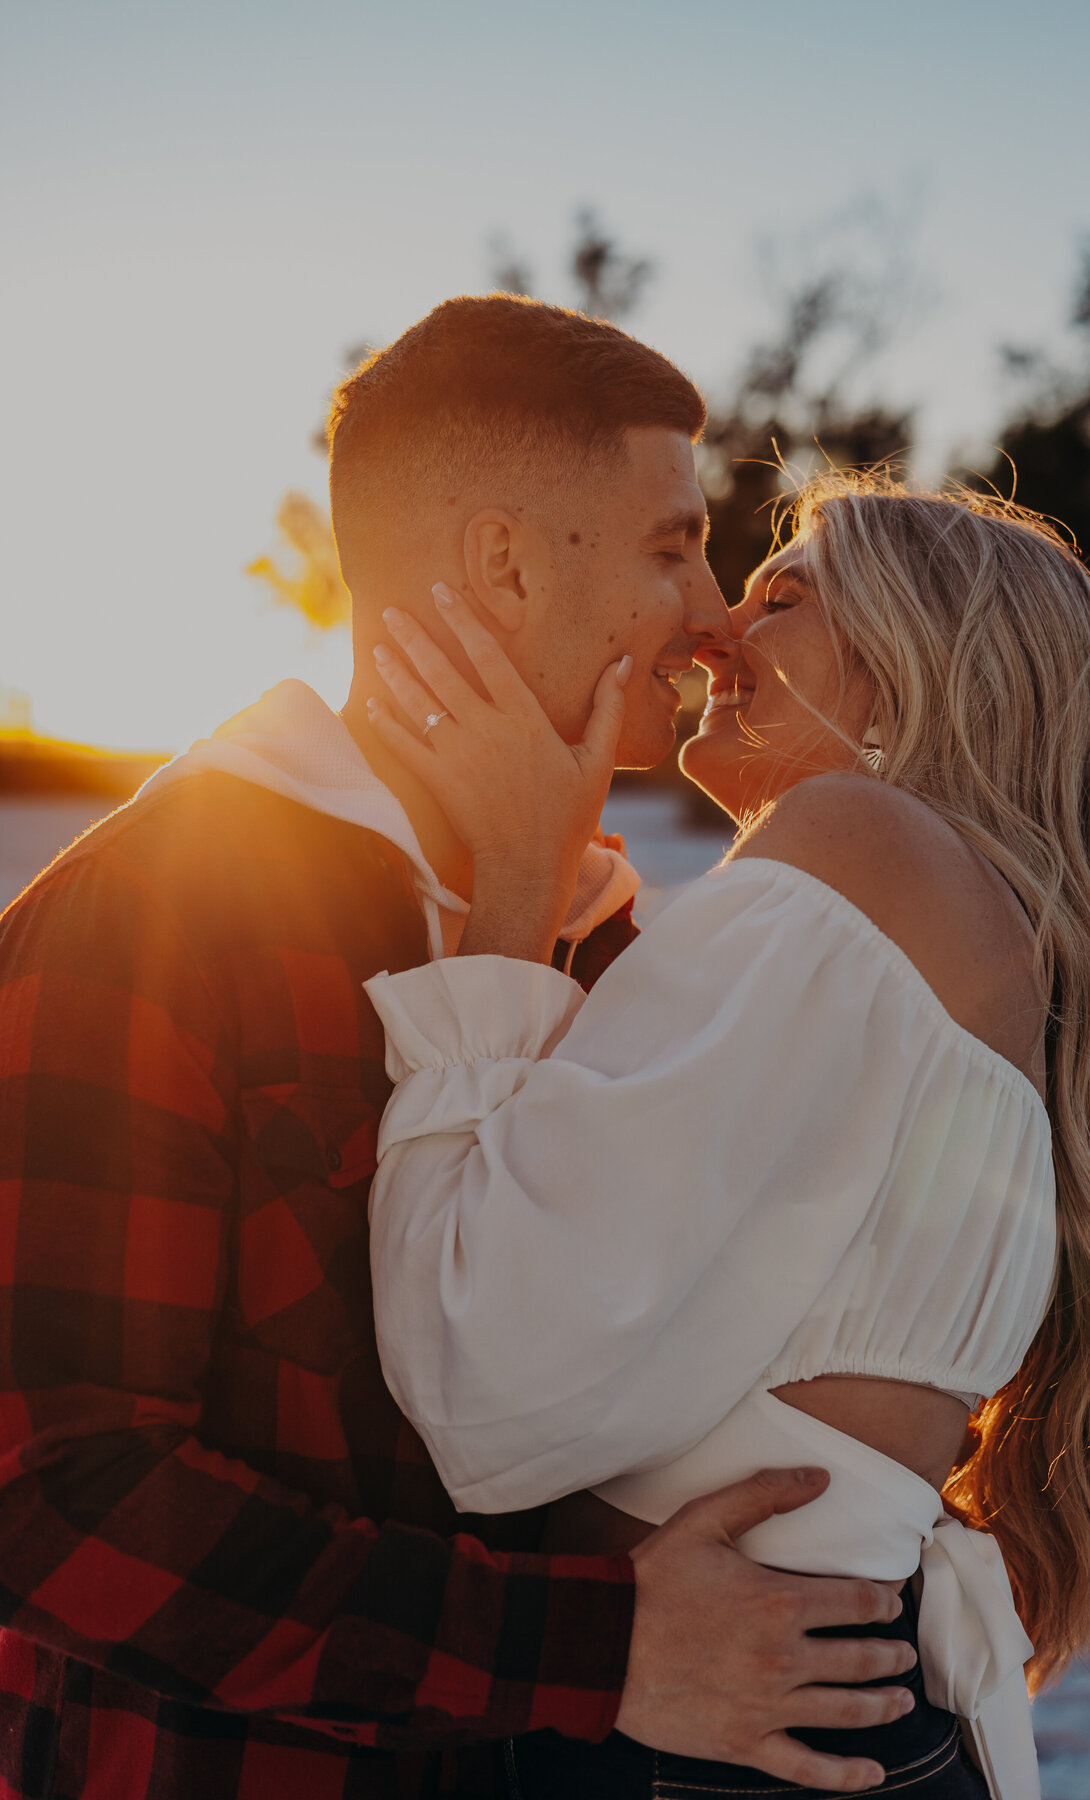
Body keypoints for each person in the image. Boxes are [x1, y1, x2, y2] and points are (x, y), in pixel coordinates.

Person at [0, 299, 921, 1800]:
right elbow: (54, 1500)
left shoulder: (620, 942)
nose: (710, 612)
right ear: (502, 564)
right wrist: (596, 1651)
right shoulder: (151, 916)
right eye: (670, 546)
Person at [362, 474, 1090, 1800]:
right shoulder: (960, 930)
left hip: (716, 1744)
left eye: (780, 599)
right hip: (821, 1714)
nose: (713, 635)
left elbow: (480, 1386)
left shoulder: (858, 842)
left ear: (910, 671)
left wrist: (512, 890)